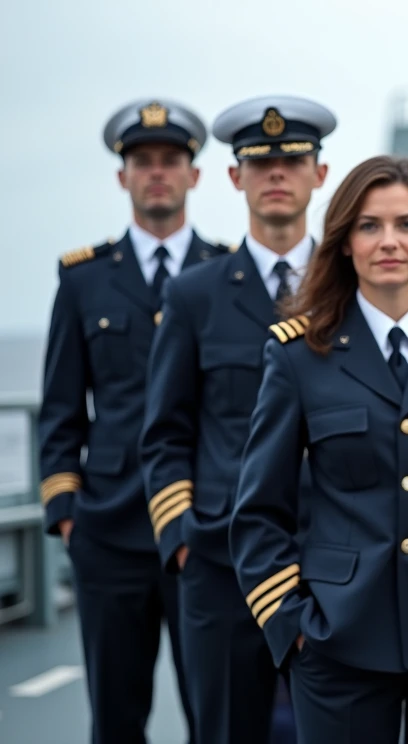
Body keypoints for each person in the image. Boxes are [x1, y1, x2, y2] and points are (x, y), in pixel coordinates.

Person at [229, 155, 408, 743]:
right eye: (368, 226)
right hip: (338, 638)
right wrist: (291, 624)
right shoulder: (298, 355)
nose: (389, 242)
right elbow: (259, 510)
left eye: (406, 224)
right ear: (343, 243)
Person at [140, 96, 335, 744]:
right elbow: (165, 431)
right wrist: (182, 540)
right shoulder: (192, 294)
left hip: (336, 559)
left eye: (293, 160)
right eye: (260, 163)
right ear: (234, 177)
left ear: (319, 174)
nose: (277, 173)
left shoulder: (350, 288)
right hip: (220, 564)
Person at [38, 98, 228, 743]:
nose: (157, 173)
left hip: (207, 525)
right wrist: (67, 515)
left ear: (194, 174)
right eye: (143, 161)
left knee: (219, 716)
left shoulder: (226, 274)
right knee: (116, 719)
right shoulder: (83, 280)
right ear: (123, 176)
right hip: (109, 532)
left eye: (171, 160)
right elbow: (61, 408)